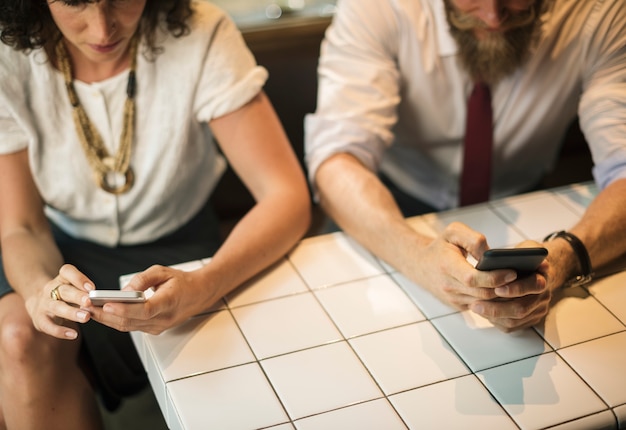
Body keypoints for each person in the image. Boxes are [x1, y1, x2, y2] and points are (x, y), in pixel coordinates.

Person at [0, 0, 311, 428]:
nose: (103, 27)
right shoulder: (7, 56)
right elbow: (22, 226)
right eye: (74, 2)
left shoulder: (200, 31)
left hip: (179, 245)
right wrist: (38, 292)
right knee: (17, 338)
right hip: (61, 246)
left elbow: (286, 195)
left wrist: (206, 284)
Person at [305, 0, 626, 332]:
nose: (493, 17)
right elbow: (338, 158)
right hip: (391, 204)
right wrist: (417, 258)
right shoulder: (379, 6)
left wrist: (560, 261)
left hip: (524, 201)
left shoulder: (599, 10)